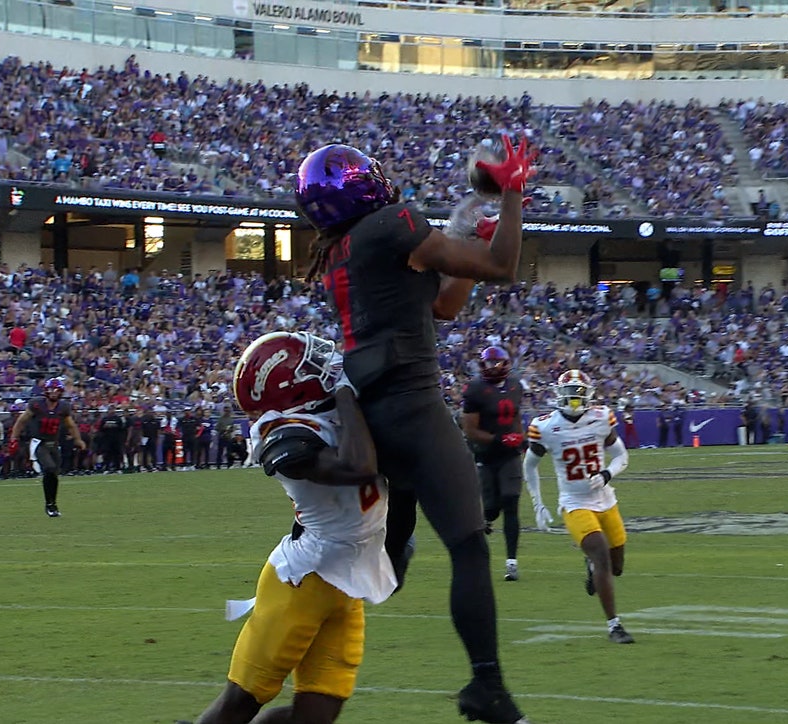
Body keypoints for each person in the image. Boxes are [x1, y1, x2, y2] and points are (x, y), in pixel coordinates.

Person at [293, 138, 536, 723]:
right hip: (410, 402)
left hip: (372, 410)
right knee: (469, 544)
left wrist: (469, 241)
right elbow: (503, 267)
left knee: (386, 565)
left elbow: (445, 306)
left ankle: (277, 651)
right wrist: (513, 196)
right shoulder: (391, 223)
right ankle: (487, 687)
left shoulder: (347, 246)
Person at [183, 331, 395, 724]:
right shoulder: (283, 438)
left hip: (349, 582)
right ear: (291, 386)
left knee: (313, 719)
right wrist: (348, 391)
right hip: (303, 581)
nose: (329, 368)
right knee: (241, 702)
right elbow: (358, 467)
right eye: (313, 367)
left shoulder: (328, 410)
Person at [522, 369, 635, 645]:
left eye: (579, 393)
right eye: (570, 393)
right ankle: (614, 626)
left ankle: (591, 566)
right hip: (574, 503)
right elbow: (529, 465)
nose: (574, 399)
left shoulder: (600, 417)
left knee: (616, 566)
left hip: (606, 499)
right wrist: (538, 503)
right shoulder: (546, 426)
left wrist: (607, 474)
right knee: (602, 557)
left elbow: (621, 456)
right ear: (559, 395)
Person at [461, 345, 528, 581]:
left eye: (497, 362)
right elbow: (470, 431)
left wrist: (520, 438)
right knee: (491, 508)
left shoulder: (515, 385)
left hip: (509, 455)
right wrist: (500, 439)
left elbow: (517, 415)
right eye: (489, 363)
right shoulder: (475, 389)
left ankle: (512, 562)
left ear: (506, 364)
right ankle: (486, 518)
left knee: (511, 501)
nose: (493, 367)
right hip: (485, 455)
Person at [8, 377, 85, 517]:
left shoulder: (63, 407)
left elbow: (70, 425)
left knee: (54, 475)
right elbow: (21, 421)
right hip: (39, 442)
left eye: (56, 390)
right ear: (46, 390)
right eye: (51, 390)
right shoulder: (37, 404)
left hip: (54, 444)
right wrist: (14, 438)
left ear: (61, 392)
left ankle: (52, 504)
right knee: (49, 468)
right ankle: (50, 504)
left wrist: (78, 439)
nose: (53, 393)